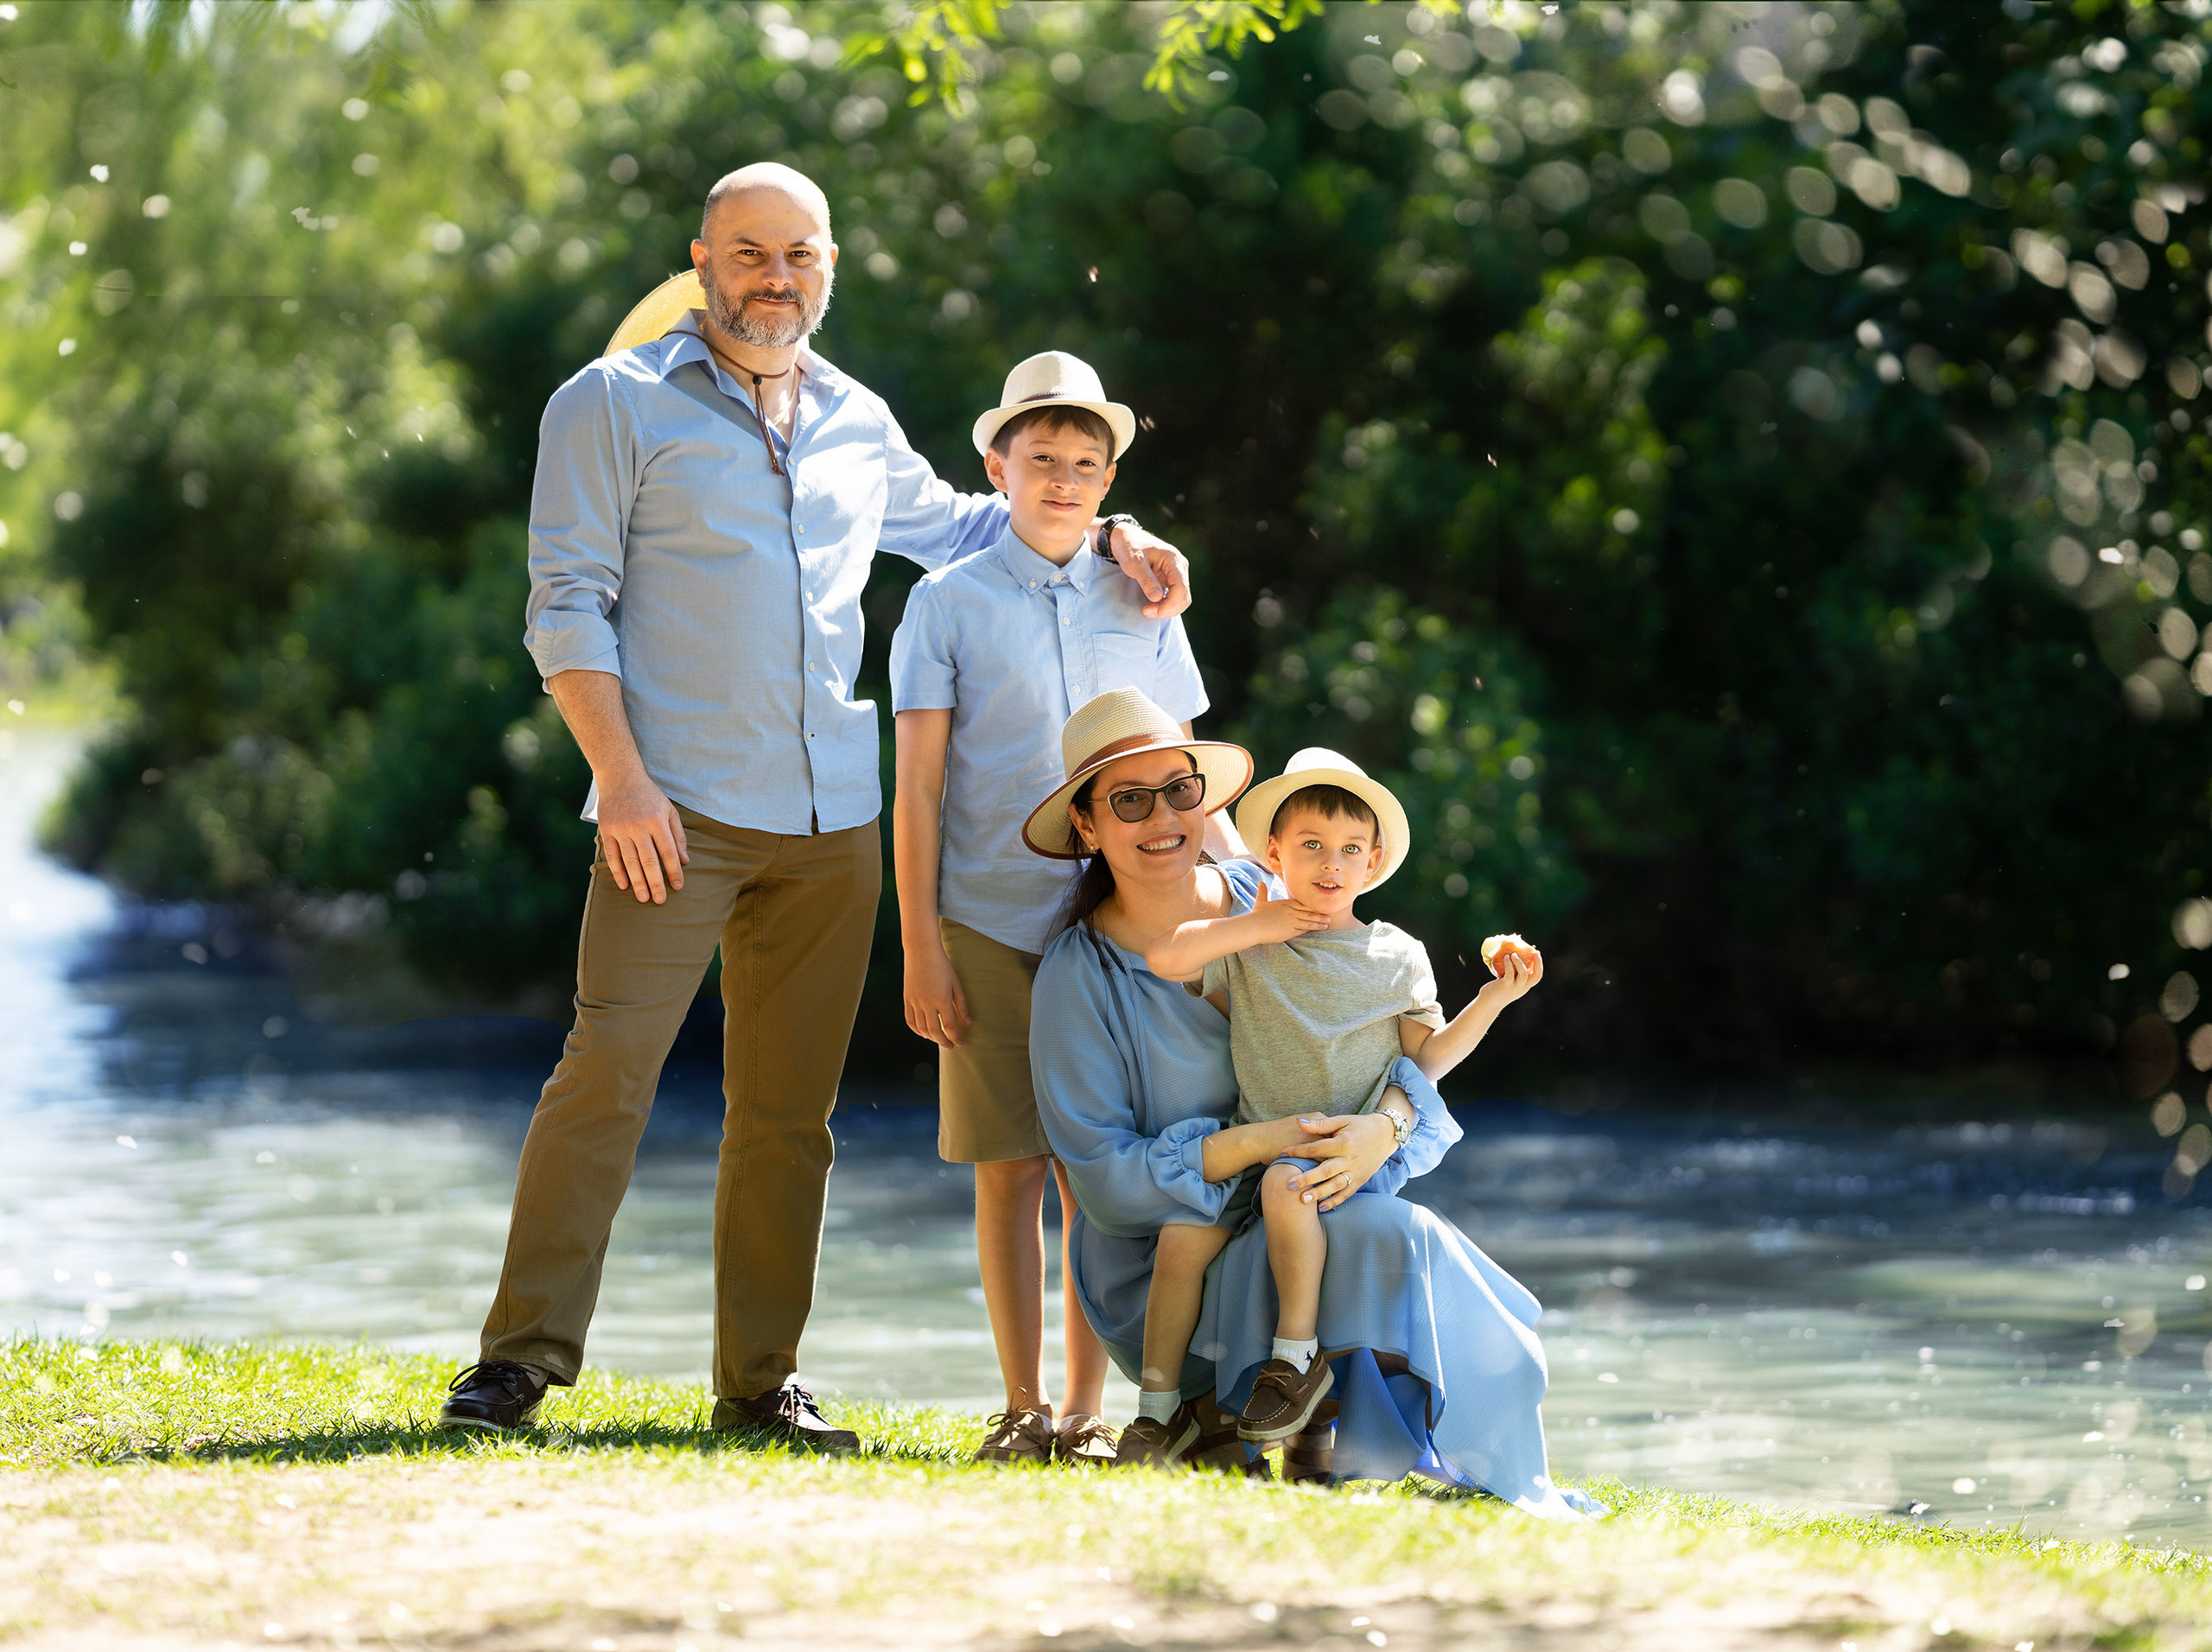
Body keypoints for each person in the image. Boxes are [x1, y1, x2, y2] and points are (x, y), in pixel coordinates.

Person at [438, 162, 1193, 1445]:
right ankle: (519, 1360)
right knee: (606, 1075)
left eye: (799, 254)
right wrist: (620, 777)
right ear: (702, 261)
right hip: (669, 811)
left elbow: (974, 529)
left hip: (833, 820)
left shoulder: (857, 415)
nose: (774, 277)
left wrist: (1119, 535)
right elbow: (564, 606)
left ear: (829, 265)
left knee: (788, 1117)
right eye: (748, 252)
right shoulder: (610, 403)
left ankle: (759, 1382)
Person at [1027, 690, 1599, 1514]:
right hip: (1168, 1245)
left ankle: (1397, 1433)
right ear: (1086, 825)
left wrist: (1385, 1127)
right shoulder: (1081, 975)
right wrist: (1269, 1141)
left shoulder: (1280, 889)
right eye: (1129, 800)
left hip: (1293, 1193)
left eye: (1180, 790)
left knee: (1373, 1219)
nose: (1164, 816)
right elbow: (1107, 1184)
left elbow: (1383, 1034)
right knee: (1366, 1224)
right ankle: (1200, 1408)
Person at [891, 359, 1238, 1466]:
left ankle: (1090, 1411)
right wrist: (920, 947)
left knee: (1104, 1171)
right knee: (1008, 1166)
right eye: (1040, 459)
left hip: (1125, 928)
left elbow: (1186, 778)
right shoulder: (944, 603)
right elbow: (918, 791)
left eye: (1086, 464)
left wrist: (1249, 889)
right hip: (988, 919)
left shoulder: (1144, 596)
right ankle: (1021, 1404)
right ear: (996, 468)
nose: (1063, 479)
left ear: (1109, 479)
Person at [1141, 749, 1543, 1450]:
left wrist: (1491, 1000)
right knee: (1180, 1241)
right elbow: (1166, 957)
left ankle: (1295, 1361)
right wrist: (1257, 925)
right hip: (1257, 1138)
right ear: (1274, 853)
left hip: (1342, 1155)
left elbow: (1428, 1060)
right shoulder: (1252, 940)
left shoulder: (1396, 954)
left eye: (1351, 849)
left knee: (1287, 1185)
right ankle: (1158, 1409)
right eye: (1311, 845)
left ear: (1373, 861)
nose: (1331, 864)